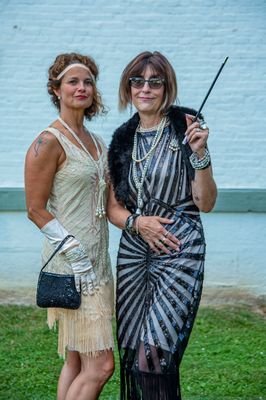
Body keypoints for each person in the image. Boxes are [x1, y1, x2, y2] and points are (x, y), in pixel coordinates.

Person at [107, 51, 217, 400]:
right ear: (128, 87)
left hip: (178, 247)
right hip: (135, 252)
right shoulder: (123, 139)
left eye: (156, 81)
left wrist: (201, 156)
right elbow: (114, 208)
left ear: (167, 87)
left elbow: (207, 203)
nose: (146, 88)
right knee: (134, 352)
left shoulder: (185, 127)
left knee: (152, 357)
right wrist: (139, 223)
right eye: (137, 81)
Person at [24, 52, 114, 400]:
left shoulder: (97, 142)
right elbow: (34, 208)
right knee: (101, 366)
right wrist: (74, 252)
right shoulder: (48, 141)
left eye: (88, 81)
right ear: (56, 89)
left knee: (76, 361)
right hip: (73, 267)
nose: (82, 87)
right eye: (72, 81)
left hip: (100, 263)